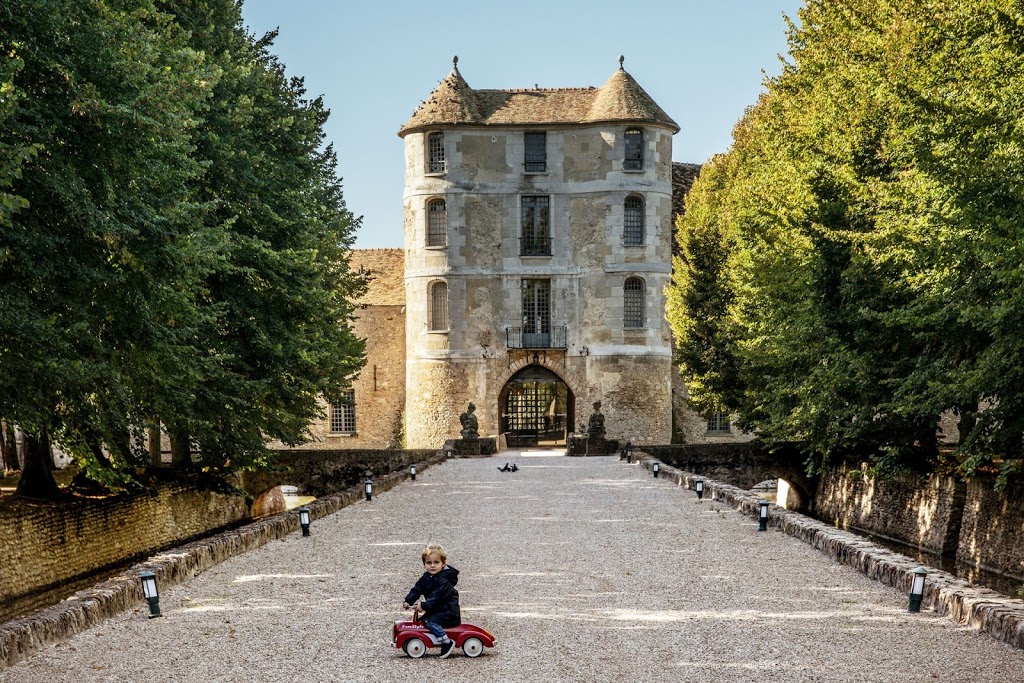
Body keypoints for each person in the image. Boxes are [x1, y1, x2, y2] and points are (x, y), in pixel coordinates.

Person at [403, 543, 461, 658]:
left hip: (448, 611)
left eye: (436, 562)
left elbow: (437, 597)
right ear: (424, 564)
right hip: (437, 609)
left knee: (431, 622)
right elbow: (417, 588)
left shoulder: (444, 580)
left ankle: (446, 642)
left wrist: (423, 605)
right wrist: (408, 600)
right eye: (429, 563)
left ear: (443, 563)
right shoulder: (426, 577)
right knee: (422, 621)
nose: (432, 566)